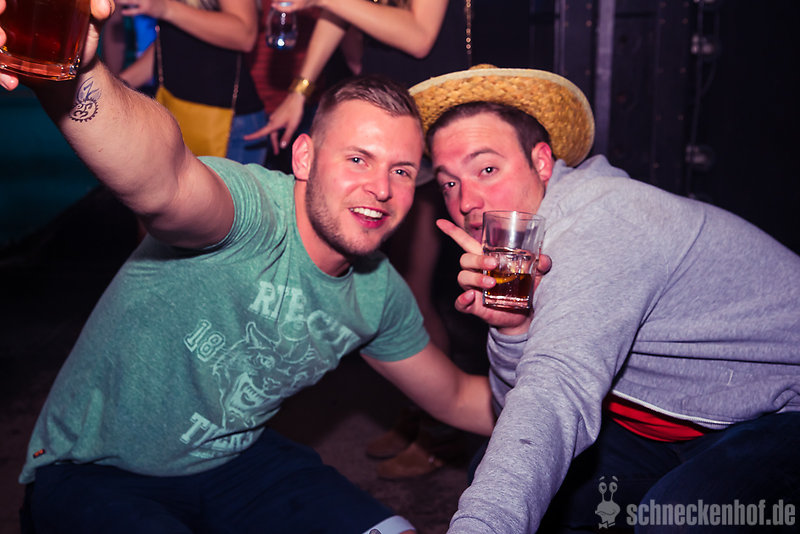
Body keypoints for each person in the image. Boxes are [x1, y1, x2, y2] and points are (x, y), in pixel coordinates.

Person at [0, 3, 524, 531]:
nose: (381, 188)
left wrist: (516, 337)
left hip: (235, 460)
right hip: (96, 469)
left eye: (402, 171)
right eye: (357, 159)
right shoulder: (252, 211)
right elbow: (165, 181)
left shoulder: (378, 293)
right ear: (303, 158)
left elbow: (460, 400)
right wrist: (81, 72)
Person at [408, 65, 800, 533]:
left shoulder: (604, 223)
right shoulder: (522, 252)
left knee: (676, 519)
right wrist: (513, 330)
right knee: (501, 474)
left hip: (782, 408)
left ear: (541, 162)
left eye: (487, 169)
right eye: (449, 182)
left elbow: (556, 389)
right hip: (681, 421)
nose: (467, 200)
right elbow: (515, 407)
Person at [246, 0, 477, 479]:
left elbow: (419, 36)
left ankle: (439, 434)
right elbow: (340, 15)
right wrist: (300, 90)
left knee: (414, 290)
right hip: (385, 127)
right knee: (396, 286)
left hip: (425, 133)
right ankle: (417, 414)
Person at [118, 0, 268, 165]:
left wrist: (165, 8)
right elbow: (173, 42)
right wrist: (119, 83)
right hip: (176, 114)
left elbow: (245, 34)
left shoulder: (166, 7)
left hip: (229, 127)